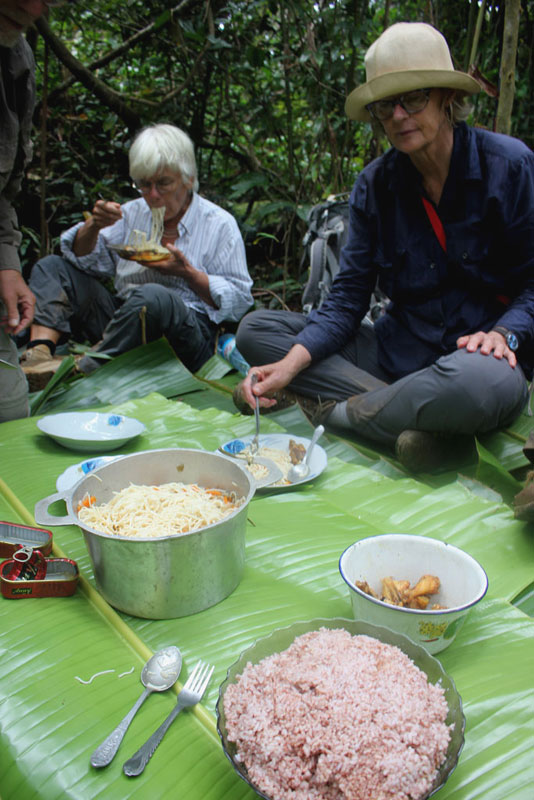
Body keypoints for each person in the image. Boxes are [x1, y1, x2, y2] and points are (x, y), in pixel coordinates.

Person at [234, 22, 534, 473]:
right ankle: (417, 424)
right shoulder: (376, 184)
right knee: (256, 332)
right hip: (395, 357)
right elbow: (348, 297)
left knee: (475, 386)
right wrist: (289, 367)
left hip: (479, 364)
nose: (398, 115)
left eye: (413, 99)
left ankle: (342, 415)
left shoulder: (510, 168)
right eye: (384, 106)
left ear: (445, 98)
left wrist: (503, 334)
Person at [21, 123, 253, 382]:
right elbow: (81, 258)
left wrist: (187, 273)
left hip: (185, 333)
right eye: (144, 184)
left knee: (155, 299)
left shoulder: (219, 224)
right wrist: (94, 225)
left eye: (163, 183)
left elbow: (240, 300)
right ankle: (39, 356)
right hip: (122, 319)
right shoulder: (132, 212)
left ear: (188, 179)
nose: (152, 195)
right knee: (52, 266)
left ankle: (84, 367)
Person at [0, 0, 68, 421]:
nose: (34, 6)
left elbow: (5, 192)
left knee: (10, 414)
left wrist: (7, 263)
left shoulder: (16, 57)